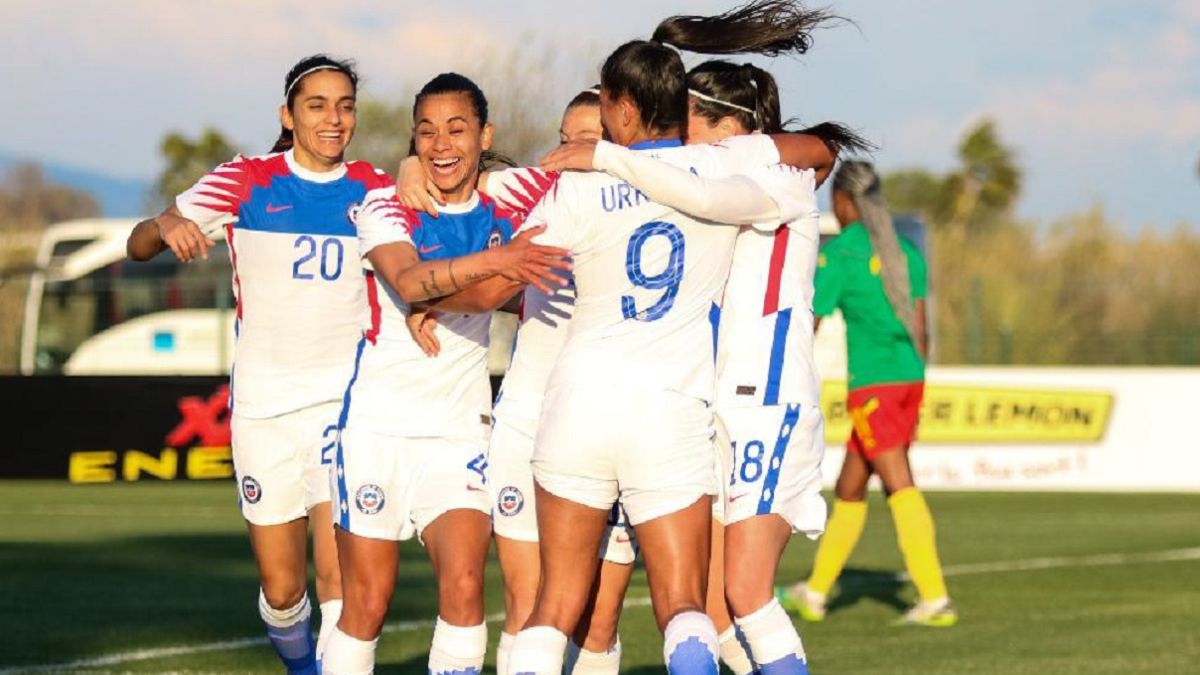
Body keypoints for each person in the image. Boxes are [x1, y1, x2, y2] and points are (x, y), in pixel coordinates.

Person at [503, 3, 851, 672]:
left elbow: (509, 228)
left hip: (580, 401)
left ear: (625, 107)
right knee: (689, 605)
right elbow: (809, 159)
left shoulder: (583, 181)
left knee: (557, 604)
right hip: (672, 409)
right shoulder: (723, 174)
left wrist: (447, 270)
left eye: (604, 104)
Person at [125, 54, 394, 674]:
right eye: (318, 105)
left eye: (345, 105)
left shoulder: (376, 188)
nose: (334, 119)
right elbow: (137, 247)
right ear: (288, 115)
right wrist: (166, 224)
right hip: (264, 411)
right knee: (281, 591)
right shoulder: (244, 181)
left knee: (338, 578)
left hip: (346, 406)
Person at [319, 72, 571, 675]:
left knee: (463, 592)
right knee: (368, 604)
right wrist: (498, 261)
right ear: (413, 141)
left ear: (485, 136)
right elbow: (408, 282)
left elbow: (594, 181)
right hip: (377, 430)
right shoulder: (386, 204)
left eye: (457, 129)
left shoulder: (513, 199)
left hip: (458, 433)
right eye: (426, 132)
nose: (441, 144)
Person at [777, 160, 957, 627]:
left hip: (873, 384)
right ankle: (815, 593)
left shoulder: (842, 254)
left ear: (842, 201)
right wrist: (915, 376)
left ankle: (935, 598)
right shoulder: (905, 253)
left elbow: (809, 322)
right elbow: (921, 327)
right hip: (908, 378)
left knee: (899, 481)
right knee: (851, 487)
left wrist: (787, 377)